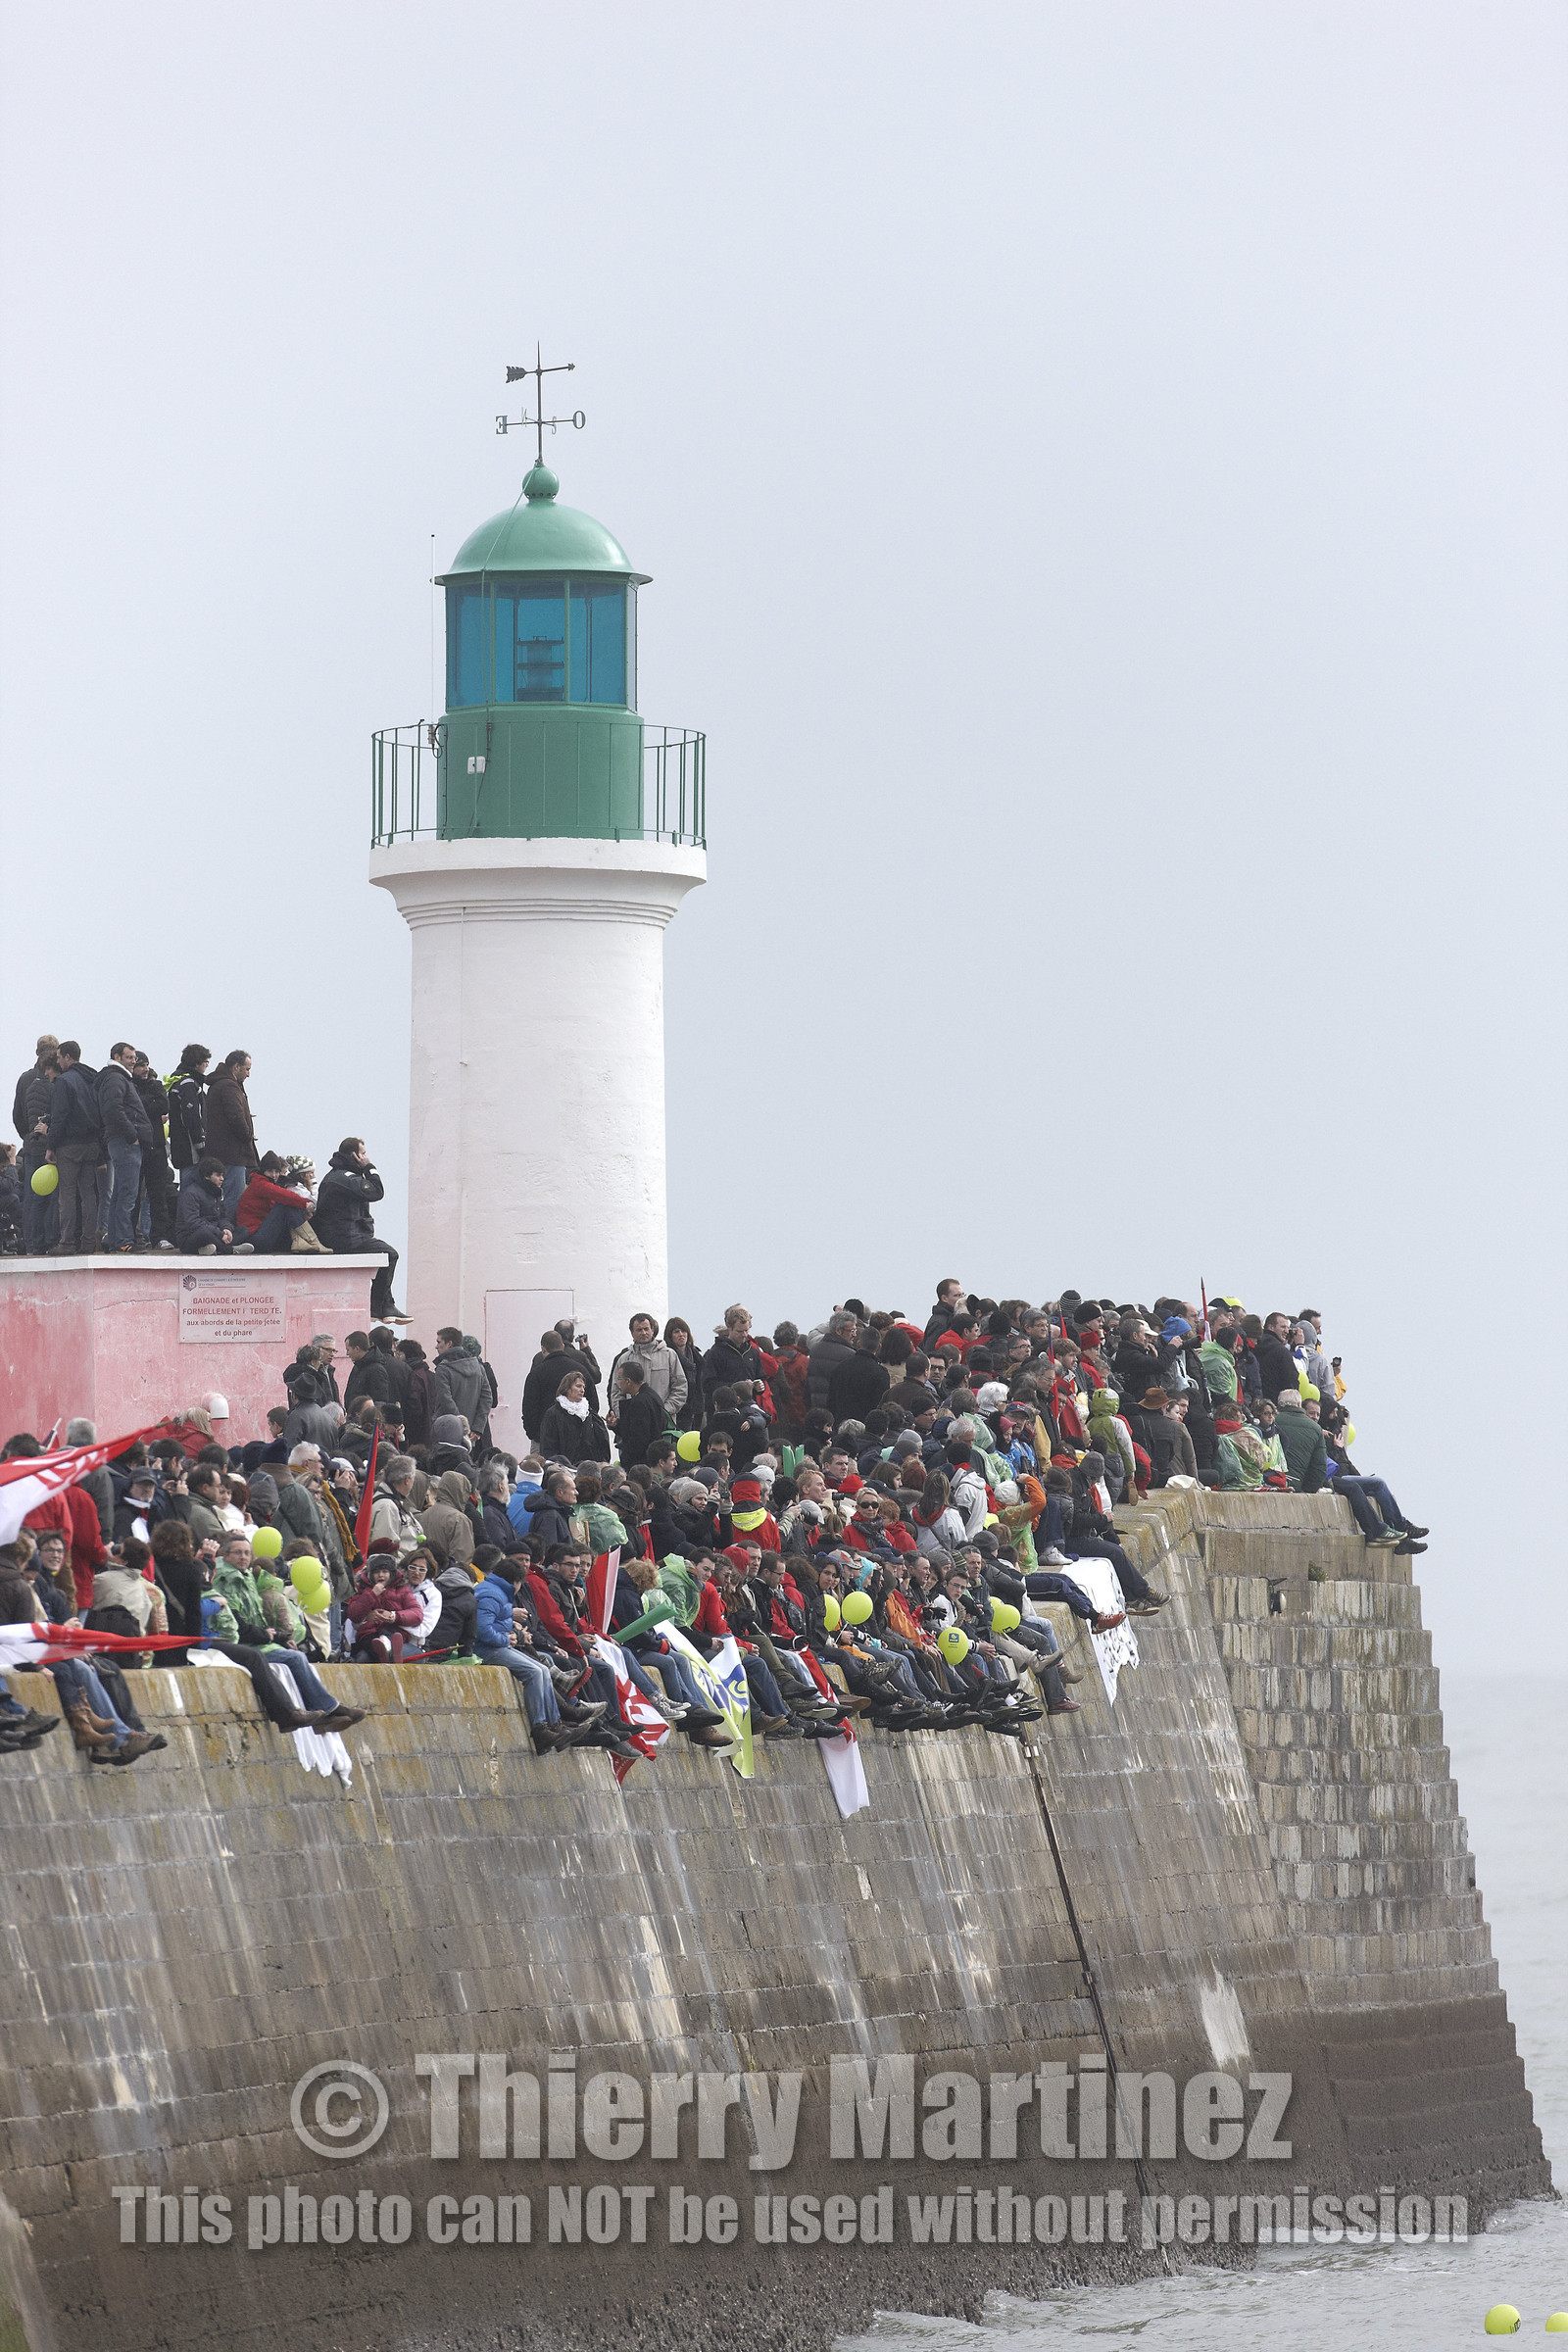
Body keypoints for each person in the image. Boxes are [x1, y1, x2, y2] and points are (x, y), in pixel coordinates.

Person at [314, 1139, 405, 1321]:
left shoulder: (347, 1177)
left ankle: (387, 1306)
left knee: (381, 1253)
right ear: (353, 1155)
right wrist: (370, 1167)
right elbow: (376, 1192)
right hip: (344, 1238)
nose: (365, 1157)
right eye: (362, 1154)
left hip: (350, 1235)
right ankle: (378, 1307)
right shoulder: (343, 1178)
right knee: (389, 1254)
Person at [43, 1042, 103, 1254]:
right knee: (89, 1195)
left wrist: (51, 1145)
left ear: (68, 1057)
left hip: (69, 1146)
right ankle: (89, 1243)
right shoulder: (93, 1079)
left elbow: (60, 1117)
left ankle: (67, 1243)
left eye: (59, 1057)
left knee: (67, 1194)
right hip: (92, 1144)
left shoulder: (64, 1082)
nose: (57, 1061)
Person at [94, 1042, 154, 1255]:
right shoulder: (115, 1078)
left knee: (120, 1194)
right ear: (117, 1057)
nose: (133, 1062)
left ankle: (116, 1239)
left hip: (121, 1142)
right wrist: (132, 1135)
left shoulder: (116, 1078)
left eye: (134, 1058)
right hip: (125, 1143)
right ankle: (122, 1241)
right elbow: (113, 1109)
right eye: (129, 1058)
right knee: (126, 1194)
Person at [204, 1051, 260, 1230]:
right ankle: (230, 1234)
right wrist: (247, 1136)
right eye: (247, 1069)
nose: (248, 1074)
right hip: (233, 1153)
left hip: (221, 1152)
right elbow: (235, 1117)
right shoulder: (229, 1087)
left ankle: (223, 1233)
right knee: (234, 1197)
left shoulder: (219, 1085)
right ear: (236, 1067)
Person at [607, 1314, 688, 1423]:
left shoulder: (669, 1355)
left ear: (652, 1330)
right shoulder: (624, 1359)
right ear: (632, 1333)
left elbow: (680, 1387)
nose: (643, 1333)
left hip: (663, 1423)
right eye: (639, 1330)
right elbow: (616, 1392)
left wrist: (664, 1411)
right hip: (634, 1425)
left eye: (646, 1329)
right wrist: (625, 1414)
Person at [234, 1154, 313, 1253]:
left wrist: (302, 1212)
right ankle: (311, 1240)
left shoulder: (264, 1185)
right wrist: (305, 1203)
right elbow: (284, 1196)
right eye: (270, 1171)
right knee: (284, 1204)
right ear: (263, 1171)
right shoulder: (260, 1184)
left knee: (289, 1205)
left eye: (277, 1172)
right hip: (255, 1237)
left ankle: (306, 1241)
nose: (274, 1175)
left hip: (263, 1234)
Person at [175, 1157, 253, 1254]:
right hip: (191, 1237)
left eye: (222, 1175)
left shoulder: (217, 1192)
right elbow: (193, 1223)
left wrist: (226, 1229)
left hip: (215, 1233)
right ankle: (229, 1250)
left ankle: (209, 1248)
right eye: (218, 1175)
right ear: (207, 1176)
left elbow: (223, 1217)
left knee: (243, 1230)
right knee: (204, 1233)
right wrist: (219, 1233)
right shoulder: (191, 1193)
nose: (222, 1179)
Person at [538, 1372, 611, 1465]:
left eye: (583, 1387)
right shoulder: (553, 1414)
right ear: (567, 1388)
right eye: (578, 1386)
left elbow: (602, 1441)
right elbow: (548, 1445)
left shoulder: (590, 1413)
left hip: (590, 1468)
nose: (582, 1390)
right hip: (564, 1468)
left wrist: (601, 1463)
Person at [165, 1044, 211, 1183]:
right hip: (190, 1150)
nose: (206, 1067)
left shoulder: (177, 1081)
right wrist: (201, 1146)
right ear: (197, 1064)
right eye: (205, 1063)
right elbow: (192, 1118)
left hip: (180, 1146)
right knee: (193, 1186)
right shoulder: (188, 1084)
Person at [611, 1357, 667, 1466]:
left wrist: (624, 1451)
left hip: (640, 1463)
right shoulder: (651, 1394)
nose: (618, 1383)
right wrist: (615, 1425)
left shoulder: (639, 1402)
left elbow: (638, 1438)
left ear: (628, 1381)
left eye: (619, 1378)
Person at [1273, 1388, 1327, 1493]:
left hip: (1271, 1482)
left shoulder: (1271, 1420)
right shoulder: (1316, 1429)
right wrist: (1308, 1490)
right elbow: (1319, 1467)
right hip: (1296, 1485)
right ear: (1299, 1404)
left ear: (1279, 1404)